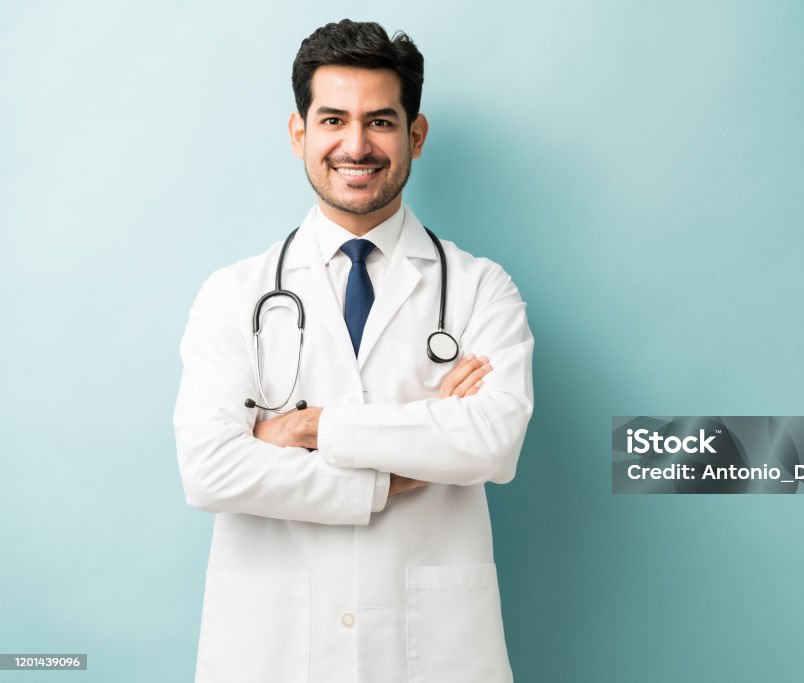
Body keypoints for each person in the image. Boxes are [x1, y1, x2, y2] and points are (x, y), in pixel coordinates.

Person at [172, 19, 534, 683]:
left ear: (415, 137)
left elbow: (491, 442)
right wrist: (395, 470)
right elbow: (210, 470)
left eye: (381, 121)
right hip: (272, 651)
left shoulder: (482, 287)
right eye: (333, 119)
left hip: (434, 654)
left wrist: (309, 427)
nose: (357, 145)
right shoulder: (233, 294)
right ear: (299, 133)